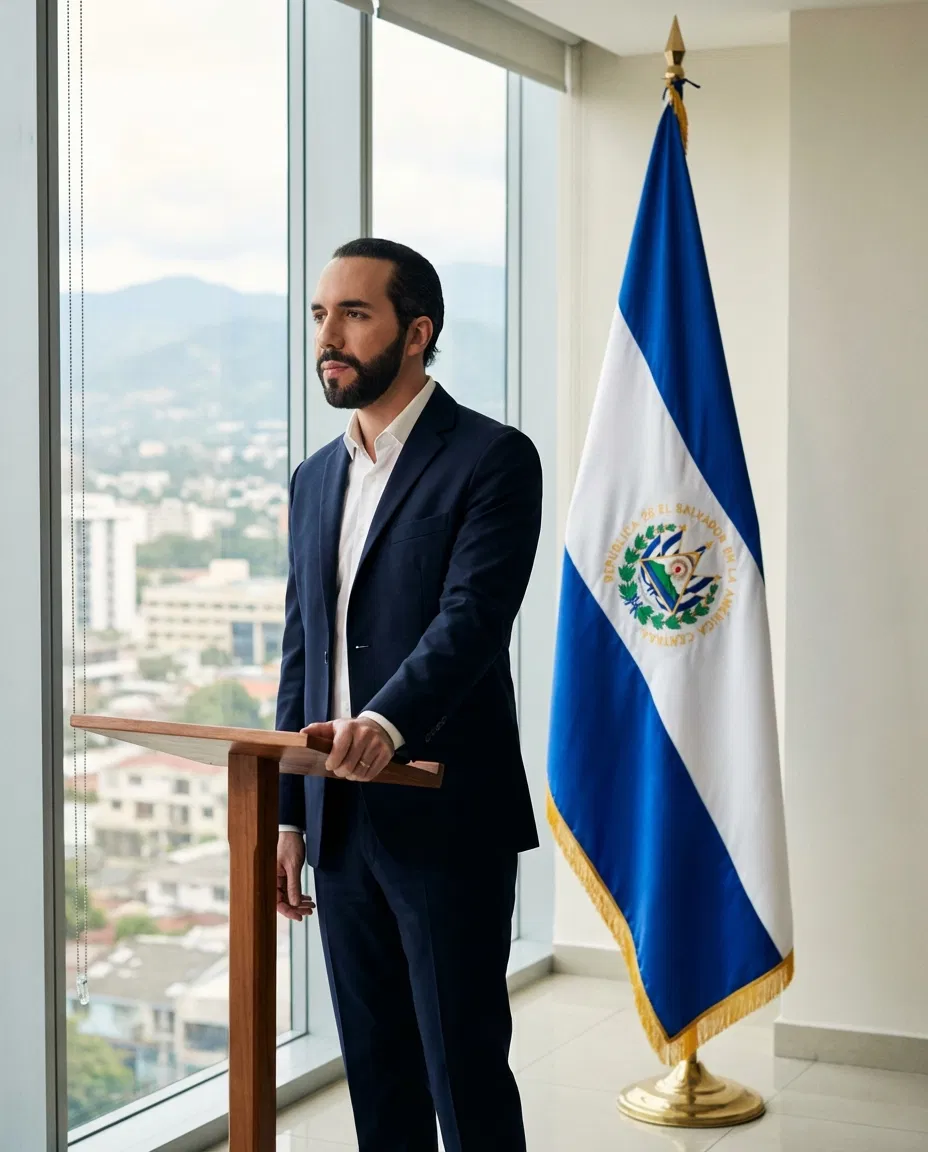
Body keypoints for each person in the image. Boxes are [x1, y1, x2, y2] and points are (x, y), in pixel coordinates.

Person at [274, 237, 541, 1152]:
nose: (329, 337)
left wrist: (385, 725)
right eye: (321, 315)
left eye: (354, 314)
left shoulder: (494, 459)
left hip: (444, 814)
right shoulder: (314, 478)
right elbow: (302, 652)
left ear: (417, 332)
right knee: (378, 1077)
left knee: (463, 1071)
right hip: (340, 825)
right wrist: (288, 816)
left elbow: (471, 622)